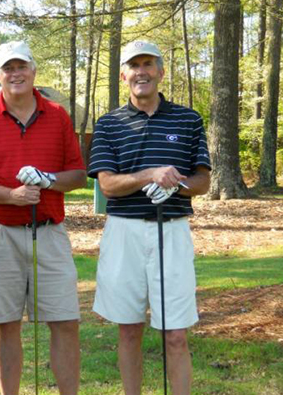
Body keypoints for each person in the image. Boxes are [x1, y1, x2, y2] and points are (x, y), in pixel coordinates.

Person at [87, 40, 212, 395]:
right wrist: (150, 174)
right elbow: (108, 185)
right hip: (124, 234)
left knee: (175, 334)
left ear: (160, 71)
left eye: (148, 64)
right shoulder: (109, 123)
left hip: (171, 233)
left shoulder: (188, 119)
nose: (141, 72)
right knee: (128, 328)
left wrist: (177, 185)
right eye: (134, 65)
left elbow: (202, 181)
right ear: (123, 74)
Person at [0, 40, 86, 395]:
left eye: (21, 67)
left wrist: (48, 179)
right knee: (6, 325)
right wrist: (11, 196)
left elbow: (78, 174)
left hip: (49, 233)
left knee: (65, 321)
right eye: (8, 68)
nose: (15, 74)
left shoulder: (57, 115)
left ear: (33, 71)